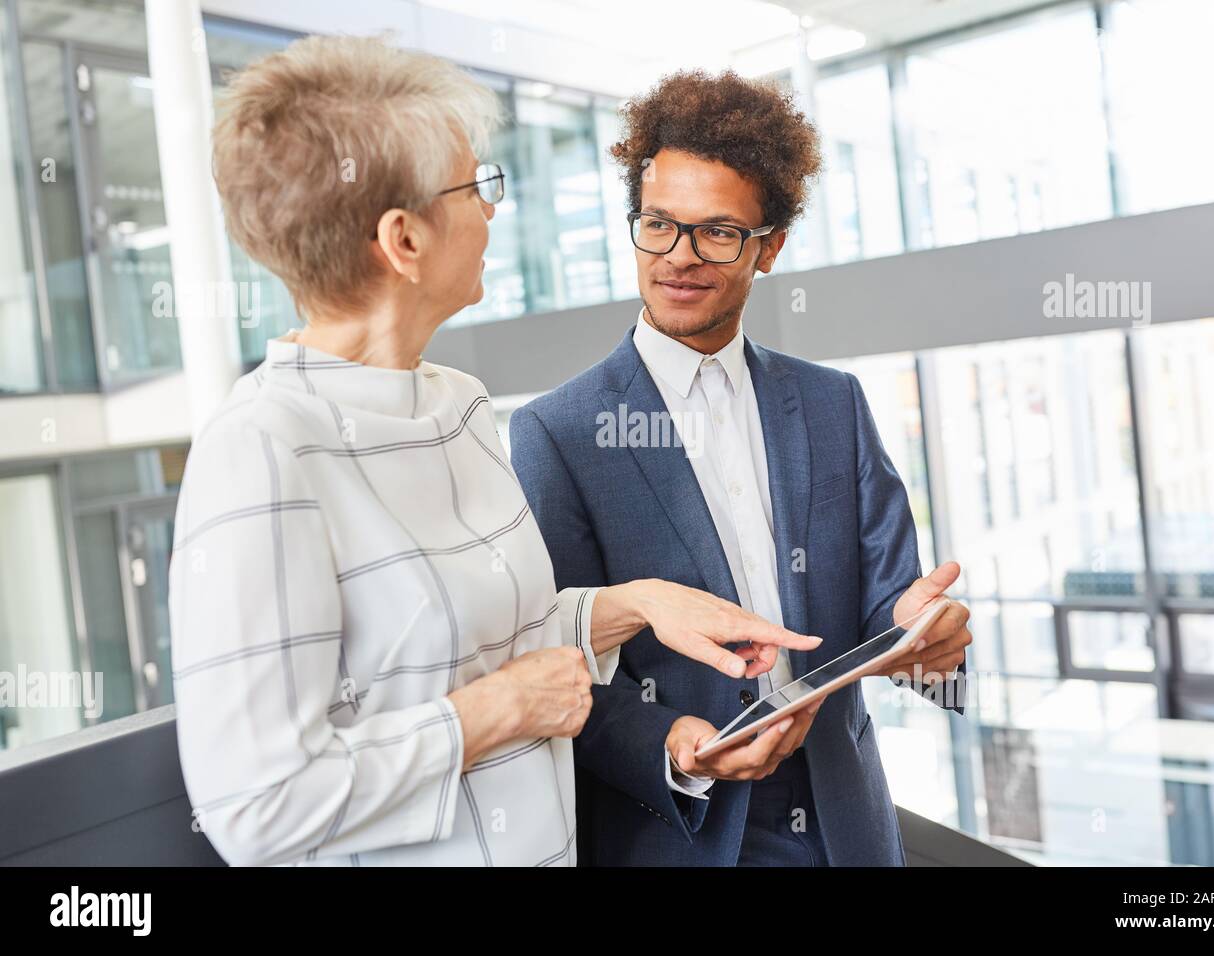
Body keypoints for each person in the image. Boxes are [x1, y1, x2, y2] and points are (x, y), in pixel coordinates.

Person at [169, 37, 818, 867]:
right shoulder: (260, 452)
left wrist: (641, 603)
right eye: (476, 184)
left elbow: (500, 639)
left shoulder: (460, 403)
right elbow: (260, 807)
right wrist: (500, 711)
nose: (493, 206)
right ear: (403, 241)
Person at [510, 70, 973, 866]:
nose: (679, 258)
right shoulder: (558, 432)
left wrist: (930, 648)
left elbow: (890, 616)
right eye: (659, 224)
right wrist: (674, 746)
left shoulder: (835, 405)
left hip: (846, 824)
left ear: (770, 248)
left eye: (718, 232)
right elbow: (555, 662)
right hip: (681, 828)